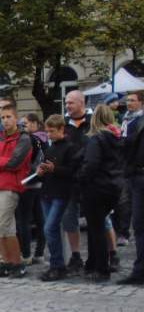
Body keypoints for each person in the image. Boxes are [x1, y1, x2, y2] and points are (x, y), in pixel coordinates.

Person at [0, 98, 34, 278]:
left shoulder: (24, 139)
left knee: (5, 226)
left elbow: (15, 162)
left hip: (10, 187)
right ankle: (5, 262)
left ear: (16, 118)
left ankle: (17, 263)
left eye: (8, 117)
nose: (5, 120)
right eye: (2, 117)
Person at [78, 104, 123, 282]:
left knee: (95, 229)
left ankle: (101, 267)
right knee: (99, 226)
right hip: (114, 186)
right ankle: (94, 263)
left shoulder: (96, 139)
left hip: (96, 187)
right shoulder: (116, 137)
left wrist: (80, 177)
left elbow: (91, 164)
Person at [36, 115, 81, 282]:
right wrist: (40, 173)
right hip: (47, 192)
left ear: (61, 129)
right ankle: (56, 265)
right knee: (50, 230)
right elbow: (46, 173)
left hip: (61, 194)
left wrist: (54, 169)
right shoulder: (49, 148)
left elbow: (72, 172)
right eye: (47, 131)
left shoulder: (70, 148)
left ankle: (57, 265)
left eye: (52, 131)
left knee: (50, 228)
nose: (49, 134)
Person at [63, 90, 91, 272]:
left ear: (81, 103)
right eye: (66, 103)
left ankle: (111, 254)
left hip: (90, 179)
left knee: (101, 220)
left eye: (71, 103)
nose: (67, 106)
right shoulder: (65, 125)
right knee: (69, 219)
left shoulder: (93, 121)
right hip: (70, 179)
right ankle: (75, 255)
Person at [16, 112, 47, 265]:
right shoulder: (45, 138)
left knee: (23, 220)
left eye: (26, 124)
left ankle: (26, 254)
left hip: (26, 183)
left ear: (35, 124)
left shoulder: (29, 139)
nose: (23, 127)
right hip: (40, 183)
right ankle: (40, 253)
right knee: (41, 220)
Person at [120, 92, 144, 285]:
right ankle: (139, 269)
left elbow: (128, 146)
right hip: (135, 175)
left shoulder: (135, 123)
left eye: (132, 100)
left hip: (139, 174)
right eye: (127, 100)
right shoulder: (129, 121)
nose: (128, 104)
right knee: (138, 224)